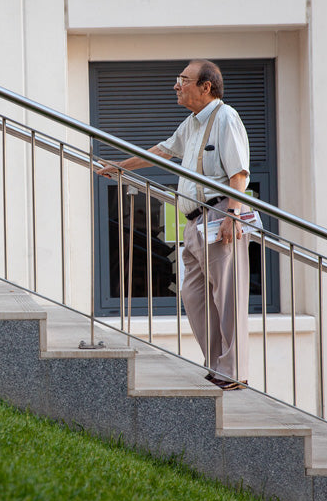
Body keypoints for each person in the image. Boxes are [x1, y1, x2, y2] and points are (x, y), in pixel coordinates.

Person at [97, 60, 251, 390]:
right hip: (194, 223)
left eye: (183, 80)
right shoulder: (192, 124)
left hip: (220, 216)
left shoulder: (226, 118)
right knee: (193, 294)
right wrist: (120, 166)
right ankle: (216, 364)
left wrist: (232, 214)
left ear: (205, 87)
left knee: (227, 297)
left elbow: (239, 173)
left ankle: (233, 370)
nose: (176, 86)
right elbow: (163, 151)